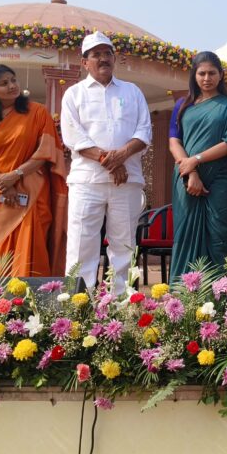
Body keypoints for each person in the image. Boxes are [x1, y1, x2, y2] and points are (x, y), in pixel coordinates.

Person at [60, 32, 152, 293]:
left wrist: (121, 156)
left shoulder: (132, 92)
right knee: (81, 245)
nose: (103, 59)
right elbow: (74, 137)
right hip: (87, 182)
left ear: (114, 58)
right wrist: (111, 161)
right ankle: (78, 303)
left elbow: (144, 131)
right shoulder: (74, 94)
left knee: (124, 246)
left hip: (126, 182)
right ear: (84, 62)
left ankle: (120, 304)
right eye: (96, 54)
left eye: (107, 53)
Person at [168, 51, 227, 284]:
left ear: (221, 75)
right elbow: (174, 141)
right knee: (185, 235)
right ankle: (184, 295)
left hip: (221, 180)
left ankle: (219, 293)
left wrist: (196, 159)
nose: (206, 78)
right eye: (201, 73)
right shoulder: (182, 105)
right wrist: (191, 170)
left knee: (220, 236)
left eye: (212, 73)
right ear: (194, 75)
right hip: (186, 179)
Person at [0, 64, 66, 278]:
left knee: (33, 241)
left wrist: (16, 175)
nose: (12, 86)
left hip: (32, 187)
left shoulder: (38, 111)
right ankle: (1, 296)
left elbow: (46, 152)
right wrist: (2, 182)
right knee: (0, 246)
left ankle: (36, 294)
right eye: (4, 83)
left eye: (13, 80)